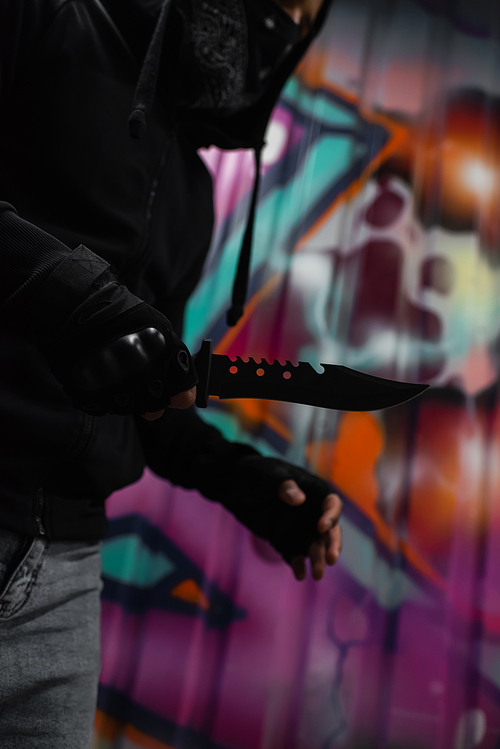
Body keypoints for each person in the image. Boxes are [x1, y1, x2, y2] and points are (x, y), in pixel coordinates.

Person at [0, 0, 342, 745]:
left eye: (308, 11)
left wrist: (240, 477)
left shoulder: (190, 195)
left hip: (65, 579)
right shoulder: (48, 18)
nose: (287, 23)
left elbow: (152, 396)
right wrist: (67, 296)